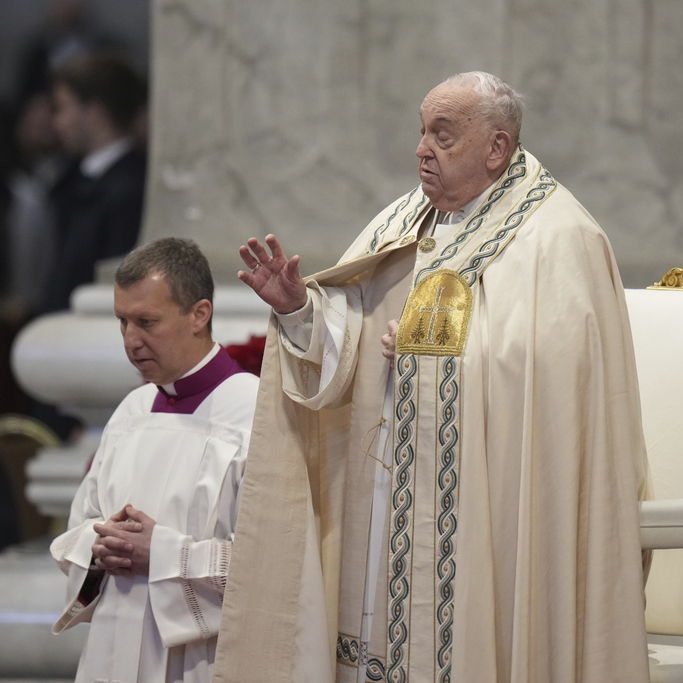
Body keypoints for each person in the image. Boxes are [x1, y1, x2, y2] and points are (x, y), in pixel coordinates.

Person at [216, 71, 652, 683]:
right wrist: (297, 310)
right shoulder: (403, 220)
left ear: (496, 148)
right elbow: (350, 346)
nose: (421, 149)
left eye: (442, 136)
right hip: (387, 496)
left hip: (491, 503)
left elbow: (550, 382)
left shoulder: (559, 238)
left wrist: (437, 362)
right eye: (421, 132)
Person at [49, 238, 260, 683]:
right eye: (122, 322)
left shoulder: (255, 413)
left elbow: (275, 564)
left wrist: (162, 553)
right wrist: (98, 546)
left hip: (203, 659)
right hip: (111, 648)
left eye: (147, 322)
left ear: (199, 315)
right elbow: (79, 527)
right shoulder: (131, 410)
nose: (130, 340)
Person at [43, 52, 147, 313]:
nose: (57, 123)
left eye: (63, 108)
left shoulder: (128, 191)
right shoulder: (79, 183)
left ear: (95, 113)